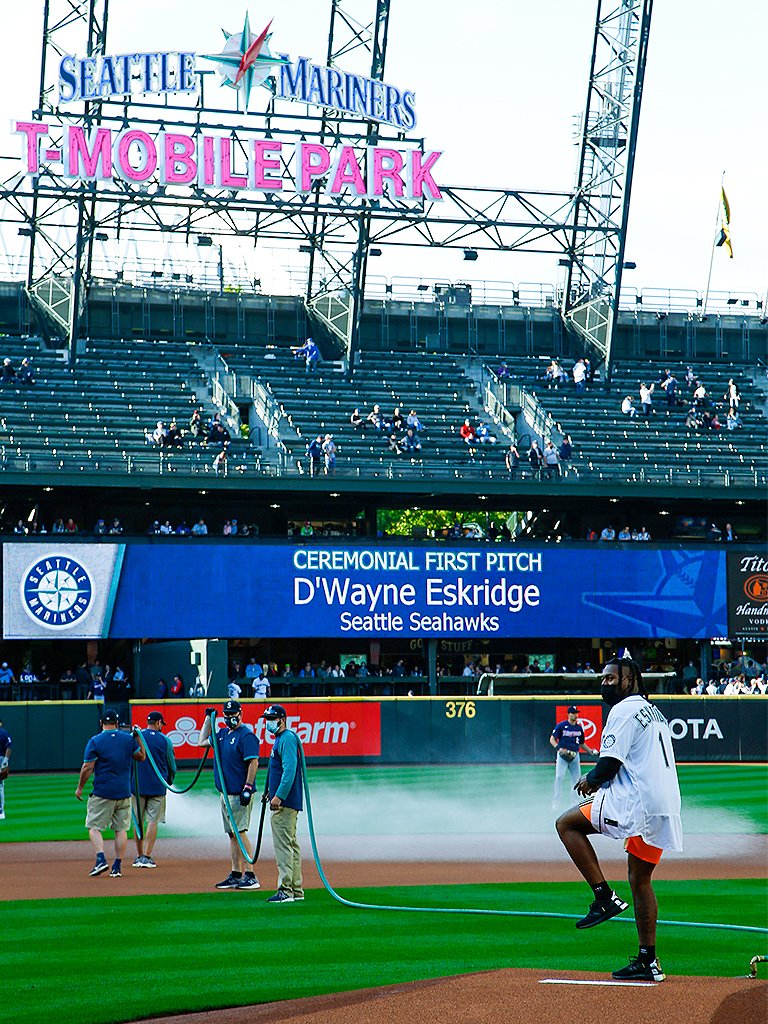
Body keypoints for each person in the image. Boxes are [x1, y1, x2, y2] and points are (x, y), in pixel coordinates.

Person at [555, 656, 682, 982]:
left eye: (611, 678)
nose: (604, 684)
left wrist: (590, 781)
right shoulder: (653, 712)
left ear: (630, 680)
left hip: (633, 804)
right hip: (663, 806)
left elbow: (609, 765)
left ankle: (603, 896)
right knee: (640, 882)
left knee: (566, 824)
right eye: (603, 678)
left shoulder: (623, 711)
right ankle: (648, 961)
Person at [75, 708, 146, 877]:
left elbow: (88, 767)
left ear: (101, 723)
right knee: (120, 829)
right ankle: (117, 866)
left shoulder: (95, 741)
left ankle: (100, 859)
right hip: (124, 792)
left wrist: (80, 787)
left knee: (93, 826)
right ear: (117, 723)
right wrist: (138, 738)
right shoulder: (127, 740)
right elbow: (142, 756)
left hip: (103, 791)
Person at [199, 700, 260, 891]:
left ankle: (250, 874)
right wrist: (208, 719)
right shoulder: (223, 734)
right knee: (232, 834)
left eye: (233, 715)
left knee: (240, 832)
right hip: (225, 794)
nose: (229, 718)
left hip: (238, 793)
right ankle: (235, 873)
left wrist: (248, 787)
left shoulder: (246, 736)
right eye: (227, 715)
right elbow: (201, 742)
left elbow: (253, 763)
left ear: (240, 714)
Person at [262, 704, 304, 903]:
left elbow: (289, 770)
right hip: (286, 801)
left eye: (272, 718)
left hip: (284, 804)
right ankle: (296, 889)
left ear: (282, 719)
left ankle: (285, 890)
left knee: (284, 846)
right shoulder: (283, 739)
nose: (268, 722)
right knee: (291, 844)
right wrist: (270, 791)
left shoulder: (286, 739)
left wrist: (279, 796)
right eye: (267, 719)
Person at [131, 711, 176, 868]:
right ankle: (147, 856)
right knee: (153, 820)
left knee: (138, 822)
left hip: (137, 786)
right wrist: (169, 781)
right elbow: (172, 766)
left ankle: (138, 856)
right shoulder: (165, 740)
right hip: (157, 785)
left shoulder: (136, 737)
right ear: (158, 723)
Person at [550, 705, 598, 810]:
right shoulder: (562, 726)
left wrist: (590, 751)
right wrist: (558, 748)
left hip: (575, 756)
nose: (576, 715)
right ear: (568, 714)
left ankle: (574, 804)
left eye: (576, 713)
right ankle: (556, 803)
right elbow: (552, 739)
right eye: (573, 713)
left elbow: (581, 743)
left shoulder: (579, 728)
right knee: (559, 777)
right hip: (563, 756)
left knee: (576, 780)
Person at [0, 718, 11, 820]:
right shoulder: (4, 732)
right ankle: (1, 811)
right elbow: (9, 747)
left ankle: (1, 810)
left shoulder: (3, 733)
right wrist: (6, 760)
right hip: (1, 759)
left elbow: (9, 747)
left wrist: (5, 760)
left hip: (1, 758)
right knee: (0, 786)